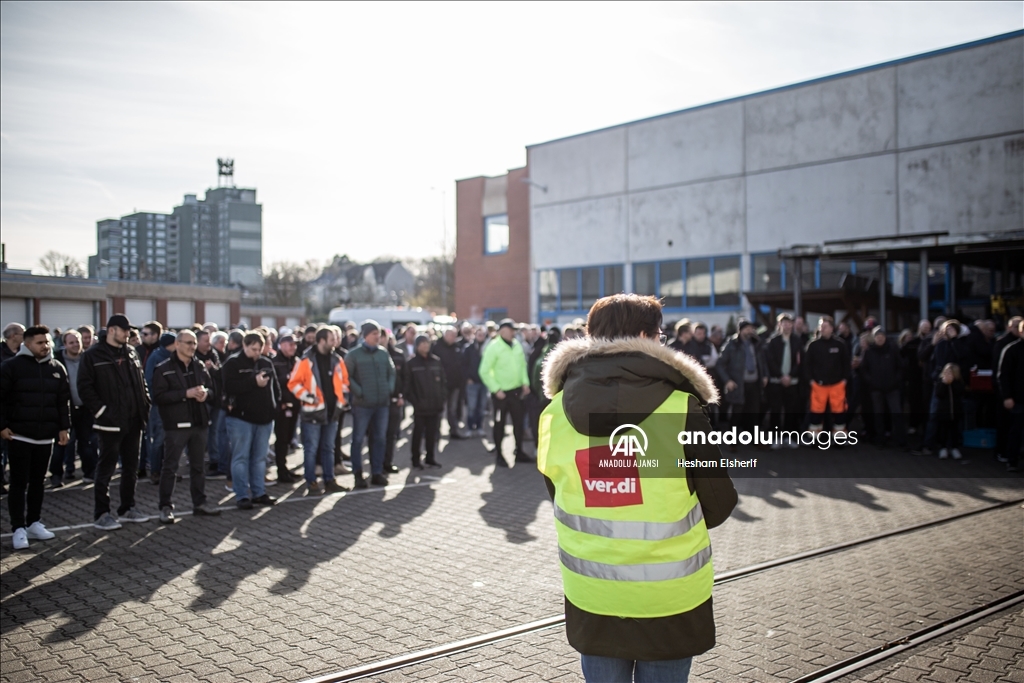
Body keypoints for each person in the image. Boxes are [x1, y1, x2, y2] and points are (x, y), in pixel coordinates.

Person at [536, 293, 736, 683]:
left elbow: (556, 491)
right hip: (669, 596)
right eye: (660, 333)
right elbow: (720, 503)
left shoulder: (553, 413)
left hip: (593, 592)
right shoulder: (682, 409)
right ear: (646, 335)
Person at [78, 314, 152, 530]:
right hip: (109, 423)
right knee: (106, 469)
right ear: (112, 330)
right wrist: (102, 411)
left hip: (134, 421)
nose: (128, 334)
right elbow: (84, 387)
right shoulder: (93, 355)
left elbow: (141, 381)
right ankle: (102, 514)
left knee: (131, 468)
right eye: (125, 330)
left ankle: (128, 508)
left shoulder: (130, 352)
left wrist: (145, 404)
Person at [1, 325, 70, 550]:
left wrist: (63, 428)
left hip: (45, 438)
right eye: (40, 342)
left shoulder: (57, 368)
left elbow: (63, 402)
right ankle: (18, 528)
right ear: (27, 344)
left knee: (38, 483)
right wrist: (1, 426)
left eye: (47, 342)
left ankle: (33, 522)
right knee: (19, 484)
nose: (46, 346)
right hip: (19, 436)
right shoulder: (11, 367)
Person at [151, 330, 221, 523]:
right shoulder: (163, 368)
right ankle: (165, 507)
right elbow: (159, 397)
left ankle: (200, 503)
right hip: (176, 425)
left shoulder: (199, 365)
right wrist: (185, 393)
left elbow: (213, 390)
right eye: (188, 343)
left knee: (198, 467)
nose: (192, 347)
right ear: (178, 344)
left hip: (199, 424)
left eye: (194, 344)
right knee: (170, 466)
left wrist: (206, 394)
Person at [288, 327, 349, 495]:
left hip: (332, 412)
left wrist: (342, 402)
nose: (335, 342)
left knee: (328, 448)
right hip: (312, 413)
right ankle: (312, 482)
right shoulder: (306, 360)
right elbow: (293, 383)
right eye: (331, 339)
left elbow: (344, 382)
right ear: (321, 340)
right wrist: (308, 397)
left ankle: (329, 481)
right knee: (311, 449)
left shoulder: (337, 359)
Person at [222, 331, 280, 509]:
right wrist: (253, 382)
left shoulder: (265, 362)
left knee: (260, 458)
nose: (257, 353)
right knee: (241, 458)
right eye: (253, 349)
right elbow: (228, 387)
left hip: (264, 420)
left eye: (259, 349)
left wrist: (274, 408)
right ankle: (241, 496)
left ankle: (259, 493)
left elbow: (276, 389)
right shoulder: (232, 363)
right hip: (241, 420)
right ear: (245, 346)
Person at [344, 320, 396, 488]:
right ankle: (358, 475)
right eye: (374, 334)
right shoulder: (353, 355)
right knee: (358, 439)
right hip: (362, 405)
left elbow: (392, 372)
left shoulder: (383, 353)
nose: (378, 337)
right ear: (365, 335)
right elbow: (347, 377)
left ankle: (376, 472)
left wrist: (389, 388)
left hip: (382, 404)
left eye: (379, 334)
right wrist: (359, 392)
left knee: (379, 438)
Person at [479, 318, 531, 467]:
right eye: (511, 330)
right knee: (499, 425)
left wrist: (525, 382)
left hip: (516, 393)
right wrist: (496, 389)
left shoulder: (517, 346)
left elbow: (522, 366)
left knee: (518, 424)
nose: (514, 332)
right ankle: (500, 455)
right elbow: (484, 371)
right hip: (501, 395)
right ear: (502, 331)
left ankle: (519, 451)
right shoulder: (493, 347)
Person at [51, 330, 97, 486]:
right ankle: (56, 475)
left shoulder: (88, 358)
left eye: (77, 341)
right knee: (61, 444)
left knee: (87, 443)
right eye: (71, 342)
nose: (76, 345)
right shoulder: (56, 362)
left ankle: (89, 473)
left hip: (85, 409)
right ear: (64, 345)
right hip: (64, 409)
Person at [717, 319, 767, 442]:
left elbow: (762, 362)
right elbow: (720, 364)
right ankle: (732, 441)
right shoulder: (732, 344)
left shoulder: (756, 343)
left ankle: (754, 440)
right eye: (747, 329)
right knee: (737, 413)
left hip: (754, 383)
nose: (750, 331)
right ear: (741, 330)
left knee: (754, 412)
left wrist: (765, 375)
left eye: (752, 329)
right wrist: (727, 380)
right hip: (738, 384)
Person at [804, 316, 851, 436]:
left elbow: (846, 364)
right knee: (816, 414)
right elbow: (806, 365)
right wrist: (810, 381)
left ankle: (839, 439)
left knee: (839, 413)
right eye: (821, 326)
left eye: (825, 326)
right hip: (818, 385)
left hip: (837, 385)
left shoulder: (840, 344)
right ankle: (815, 439)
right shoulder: (813, 345)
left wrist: (844, 380)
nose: (822, 328)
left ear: (831, 328)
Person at [404, 334, 446, 469]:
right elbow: (407, 387)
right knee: (417, 434)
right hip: (420, 407)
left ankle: (430, 458)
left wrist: (441, 399)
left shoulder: (436, 361)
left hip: (435, 406)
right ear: (417, 346)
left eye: (427, 343)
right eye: (422, 343)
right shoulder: (411, 364)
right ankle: (415, 460)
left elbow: (443, 383)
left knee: (432, 434)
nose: (425, 346)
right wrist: (416, 402)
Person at [861, 327, 906, 447]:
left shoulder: (893, 350)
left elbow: (900, 367)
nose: (880, 338)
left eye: (882, 336)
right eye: (877, 336)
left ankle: (901, 440)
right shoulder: (869, 352)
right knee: (878, 415)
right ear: (874, 338)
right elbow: (864, 369)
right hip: (876, 389)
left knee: (896, 413)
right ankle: (880, 439)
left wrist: (896, 381)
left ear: (885, 338)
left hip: (892, 388)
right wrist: (871, 381)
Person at [765, 314, 802, 448]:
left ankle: (789, 437)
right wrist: (781, 376)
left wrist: (791, 376)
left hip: (792, 382)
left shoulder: (797, 341)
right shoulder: (773, 341)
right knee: (776, 410)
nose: (787, 326)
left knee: (791, 410)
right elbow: (770, 361)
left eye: (789, 323)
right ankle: (775, 438)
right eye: (784, 323)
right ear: (779, 325)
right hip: (776, 381)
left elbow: (799, 362)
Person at [993, 316, 1022, 466]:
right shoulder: (1009, 348)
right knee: (1013, 430)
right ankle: (1010, 459)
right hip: (1016, 398)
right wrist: (1007, 396)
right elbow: (1002, 374)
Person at [271, 333, 300, 483]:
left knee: (289, 438)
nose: (293, 347)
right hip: (282, 406)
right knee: (281, 439)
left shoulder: (297, 361)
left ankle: (285, 468)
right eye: (290, 344)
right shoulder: (275, 362)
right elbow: (275, 385)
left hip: (295, 405)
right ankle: (281, 470)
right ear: (281, 345)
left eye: (295, 344)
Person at [432, 327, 465, 439]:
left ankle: (454, 430)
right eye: (451, 335)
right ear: (445, 335)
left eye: (455, 336)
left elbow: (461, 365)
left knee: (452, 409)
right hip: (440, 385)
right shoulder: (436, 347)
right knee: (439, 409)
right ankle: (436, 432)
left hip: (455, 384)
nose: (453, 338)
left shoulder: (457, 347)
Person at [931, 363, 965, 460]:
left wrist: (953, 383)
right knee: (943, 431)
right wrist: (944, 383)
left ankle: (954, 448)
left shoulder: (958, 383)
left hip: (955, 412)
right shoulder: (940, 383)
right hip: (943, 412)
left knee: (955, 430)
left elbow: (961, 392)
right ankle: (943, 447)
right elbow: (939, 394)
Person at [383, 330, 405, 474]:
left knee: (391, 434)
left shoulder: (398, 355)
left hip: (395, 400)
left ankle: (388, 462)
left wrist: (402, 395)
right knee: (377, 435)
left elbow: (405, 377)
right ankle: (376, 465)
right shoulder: (371, 355)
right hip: (377, 402)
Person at [462, 327, 489, 438]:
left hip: (484, 382)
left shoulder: (488, 348)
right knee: (471, 406)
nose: (480, 337)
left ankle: (479, 427)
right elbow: (463, 364)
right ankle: (469, 427)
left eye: (482, 335)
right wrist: (467, 378)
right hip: (472, 382)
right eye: (479, 334)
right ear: (475, 335)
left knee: (481, 406)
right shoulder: (469, 349)